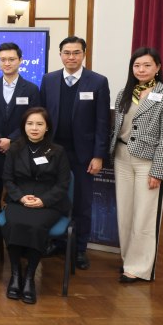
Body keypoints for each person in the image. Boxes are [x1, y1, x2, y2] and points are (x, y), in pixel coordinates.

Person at [40, 37, 110, 270]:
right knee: (56, 199)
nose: (71, 57)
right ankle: (59, 242)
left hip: (84, 154)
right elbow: (41, 117)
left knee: (82, 203)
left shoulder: (98, 81)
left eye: (76, 52)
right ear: (60, 54)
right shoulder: (48, 79)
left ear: (84, 55)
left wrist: (98, 155)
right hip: (53, 153)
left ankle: (80, 248)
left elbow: (103, 122)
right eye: (67, 52)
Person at [110, 47, 163, 284]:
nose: (141, 69)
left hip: (147, 163)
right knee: (125, 213)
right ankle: (128, 259)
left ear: (158, 68)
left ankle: (138, 268)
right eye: (137, 65)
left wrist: (158, 171)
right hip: (121, 158)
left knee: (145, 215)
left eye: (147, 65)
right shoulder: (124, 93)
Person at [1, 108, 71, 304]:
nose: (34, 128)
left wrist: (44, 200)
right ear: (23, 126)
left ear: (47, 127)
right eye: (30, 123)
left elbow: (63, 184)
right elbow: (8, 179)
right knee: (13, 223)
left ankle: (30, 277)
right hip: (20, 199)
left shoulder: (58, 151)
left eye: (39, 124)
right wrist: (21, 198)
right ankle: (16, 275)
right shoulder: (14, 149)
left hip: (49, 202)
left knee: (36, 226)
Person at [0, 42, 41, 216]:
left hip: (21, 150)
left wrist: (11, 140)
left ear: (20, 60)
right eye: (2, 59)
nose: (7, 63)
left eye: (11, 59)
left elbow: (33, 120)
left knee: (18, 196)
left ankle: (13, 229)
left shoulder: (31, 89)